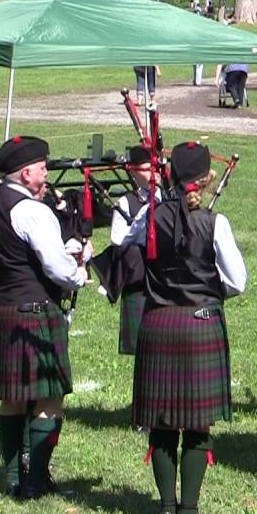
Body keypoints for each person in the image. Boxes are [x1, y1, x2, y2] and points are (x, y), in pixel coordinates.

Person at [121, 142, 247, 514]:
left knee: (161, 422)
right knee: (196, 424)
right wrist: (208, 291)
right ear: (206, 180)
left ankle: (164, 507)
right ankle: (188, 511)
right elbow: (237, 281)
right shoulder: (215, 222)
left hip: (158, 323)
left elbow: (124, 250)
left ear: (170, 177)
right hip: (200, 324)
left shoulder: (148, 216)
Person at [0, 136, 90, 500]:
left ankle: (13, 478)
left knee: (12, 397)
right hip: (34, 313)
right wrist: (80, 271)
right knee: (49, 397)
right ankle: (36, 481)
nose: (46, 174)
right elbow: (56, 268)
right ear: (26, 173)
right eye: (42, 168)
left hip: (1, 310)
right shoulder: (32, 211)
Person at [108, 146, 160, 356]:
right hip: (140, 280)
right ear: (133, 172)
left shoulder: (170, 198)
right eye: (147, 169)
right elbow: (117, 241)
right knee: (143, 351)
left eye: (155, 168)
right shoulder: (126, 203)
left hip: (165, 281)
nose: (153, 174)